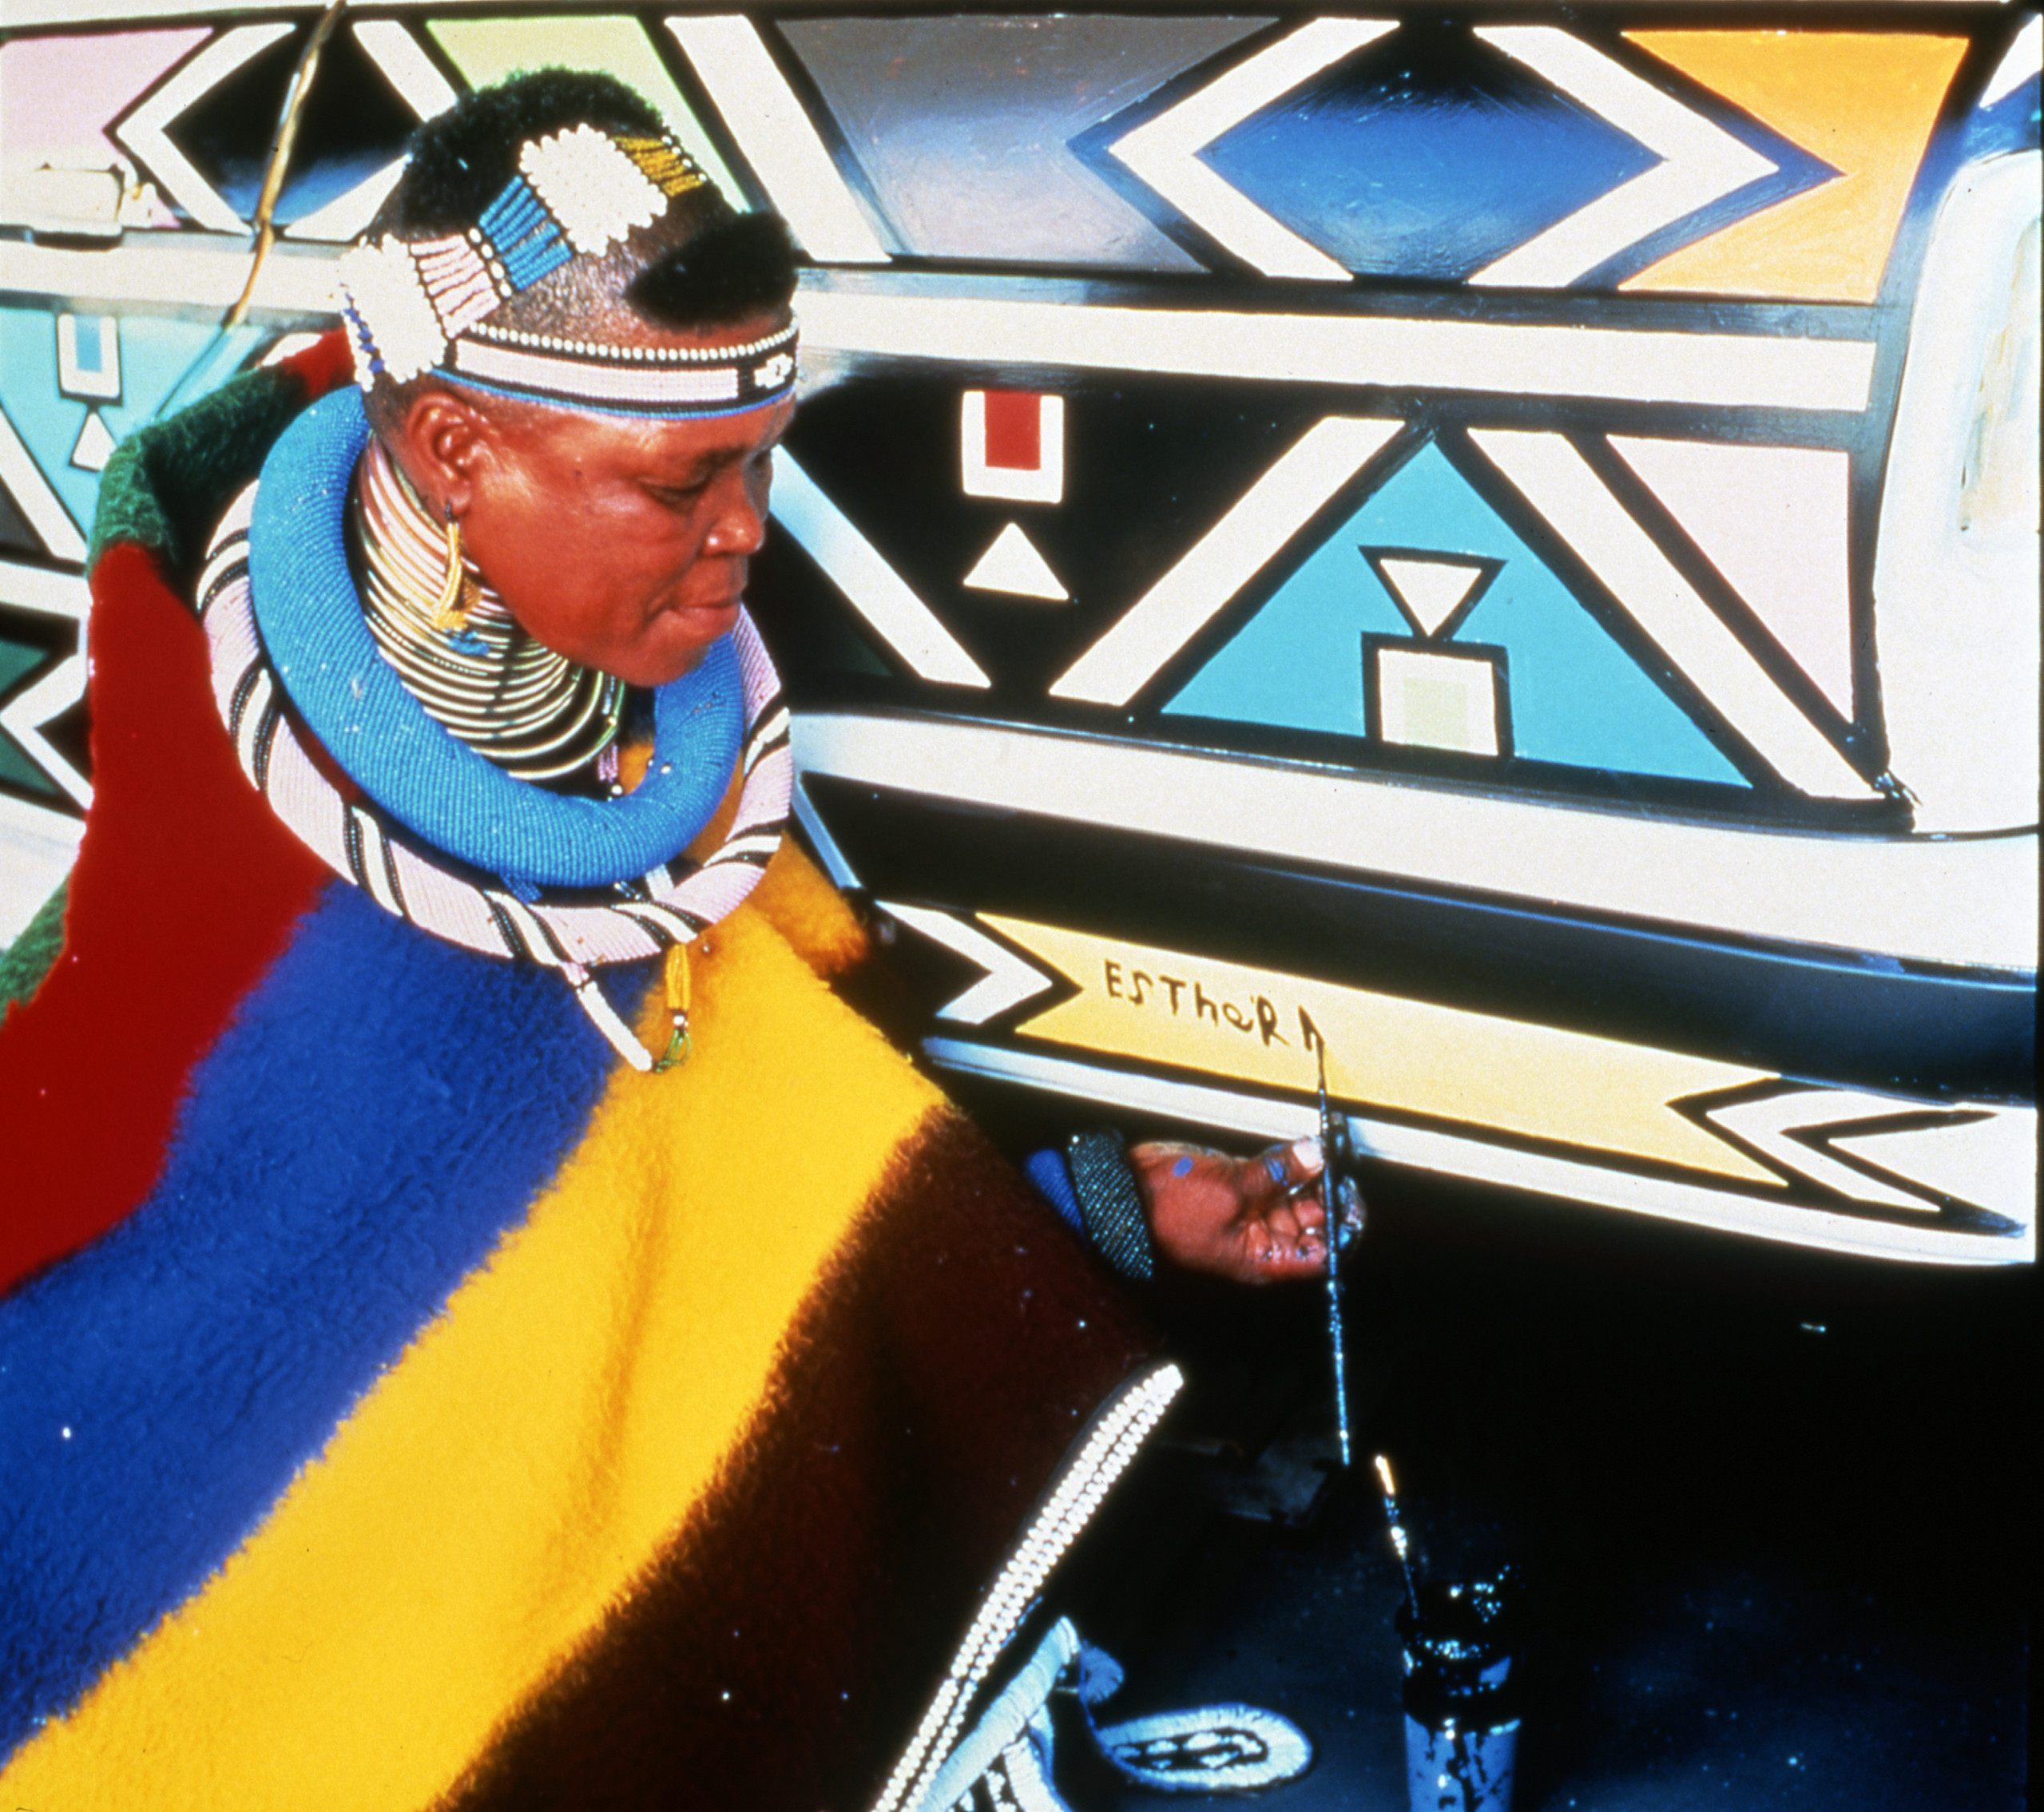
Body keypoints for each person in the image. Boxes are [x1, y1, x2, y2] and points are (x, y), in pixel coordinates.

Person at [0, 72, 1345, 1810]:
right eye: (680, 482)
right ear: (454, 452)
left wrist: (1100, 1202)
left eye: (759, 465)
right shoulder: (260, 907)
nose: (746, 536)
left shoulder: (634, 762)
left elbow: (722, 1158)